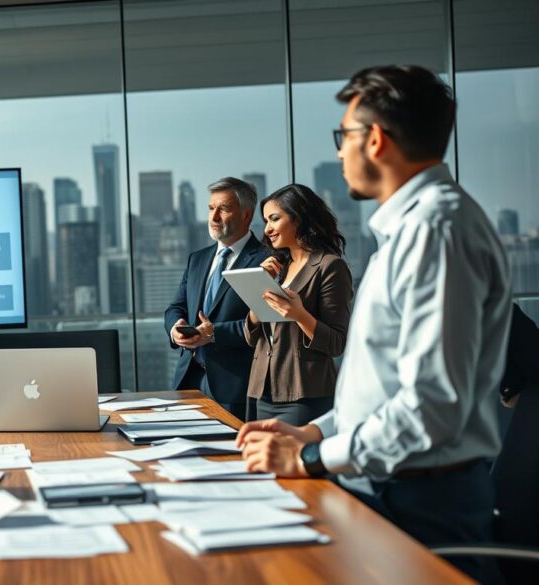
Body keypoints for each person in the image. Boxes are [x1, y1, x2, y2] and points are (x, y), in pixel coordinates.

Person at [236, 65, 510, 582]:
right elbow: (384, 394)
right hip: (392, 487)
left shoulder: (436, 232)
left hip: (421, 500)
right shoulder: (407, 231)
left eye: (345, 137)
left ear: (376, 139)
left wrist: (314, 458)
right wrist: (311, 434)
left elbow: (432, 407)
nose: (340, 152)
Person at [243, 184, 353, 425]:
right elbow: (253, 338)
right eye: (265, 221)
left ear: (299, 218)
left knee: (294, 461)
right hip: (261, 390)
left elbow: (337, 343)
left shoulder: (329, 267)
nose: (268, 229)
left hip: (304, 394)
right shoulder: (277, 268)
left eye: (274, 219)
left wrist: (299, 315)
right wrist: (257, 294)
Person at [165, 177, 270, 420]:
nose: (213, 218)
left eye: (224, 209)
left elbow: (267, 323)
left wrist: (213, 334)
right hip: (188, 381)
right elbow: (176, 307)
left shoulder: (266, 260)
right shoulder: (198, 259)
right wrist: (175, 328)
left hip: (235, 386)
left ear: (246, 215)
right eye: (211, 208)